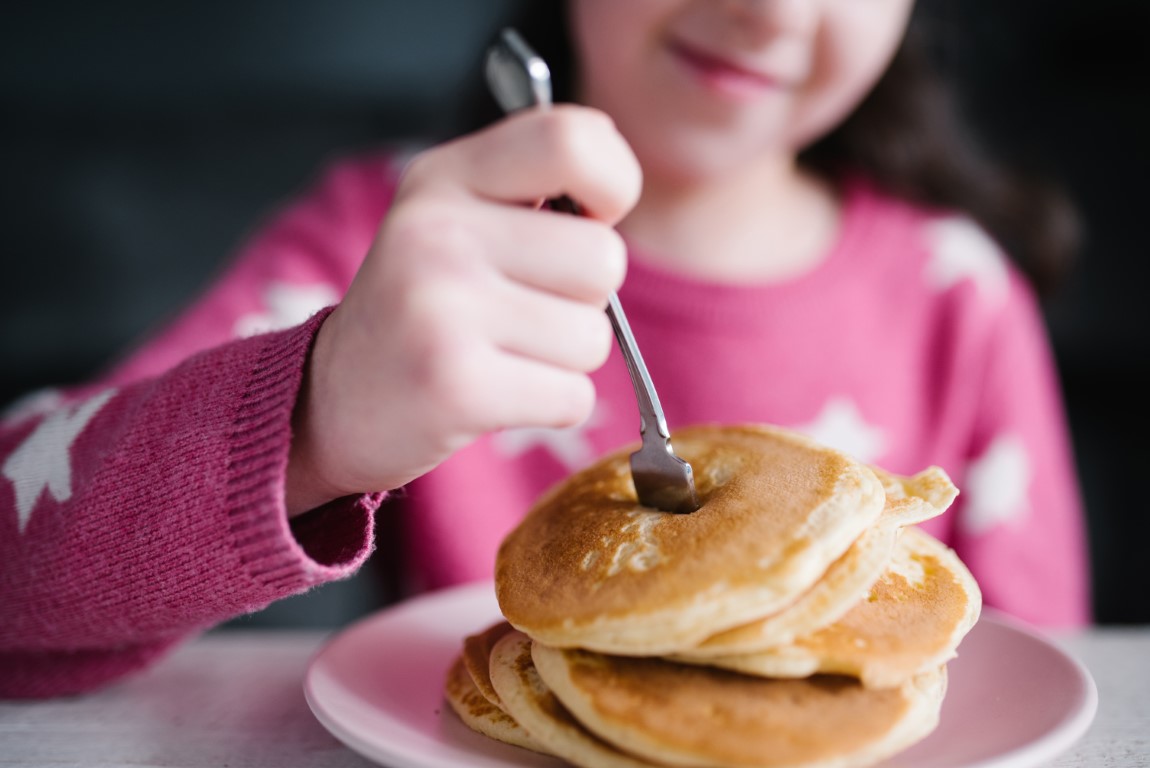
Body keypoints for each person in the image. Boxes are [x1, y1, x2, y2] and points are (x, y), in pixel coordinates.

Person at [0, 0, 1089, 699]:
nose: (767, 10)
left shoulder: (959, 293)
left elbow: (1044, 690)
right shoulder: (394, 244)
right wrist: (311, 418)